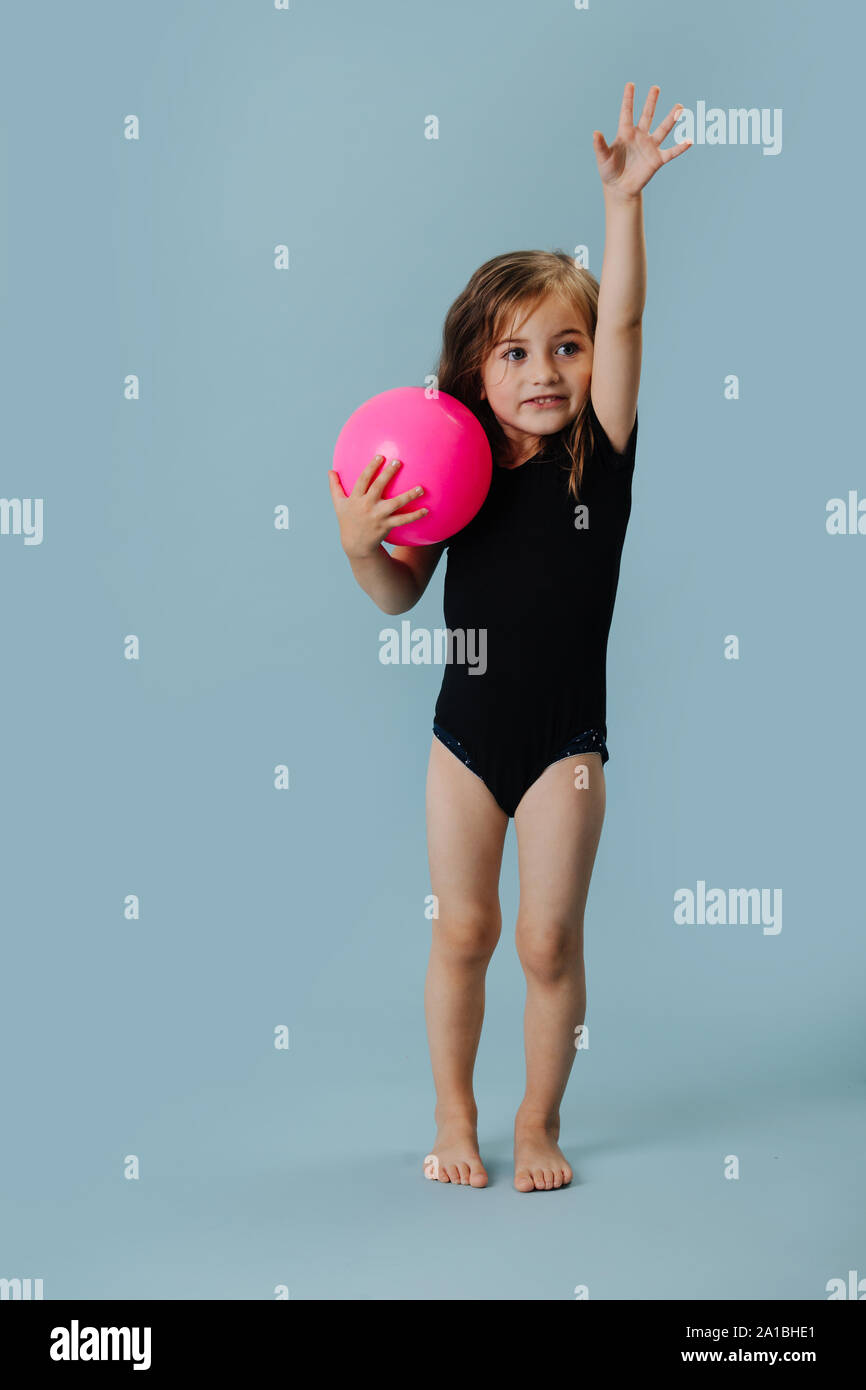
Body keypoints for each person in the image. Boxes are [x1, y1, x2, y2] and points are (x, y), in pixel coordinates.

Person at [329, 84, 691, 1192]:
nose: (544, 372)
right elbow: (397, 596)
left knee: (544, 944)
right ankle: (453, 1115)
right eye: (515, 354)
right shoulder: (456, 474)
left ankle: (536, 1121)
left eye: (565, 348)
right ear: (471, 376)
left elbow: (626, 316)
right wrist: (359, 542)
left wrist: (619, 203)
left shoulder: (601, 459)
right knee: (464, 932)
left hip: (563, 744)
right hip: (465, 738)